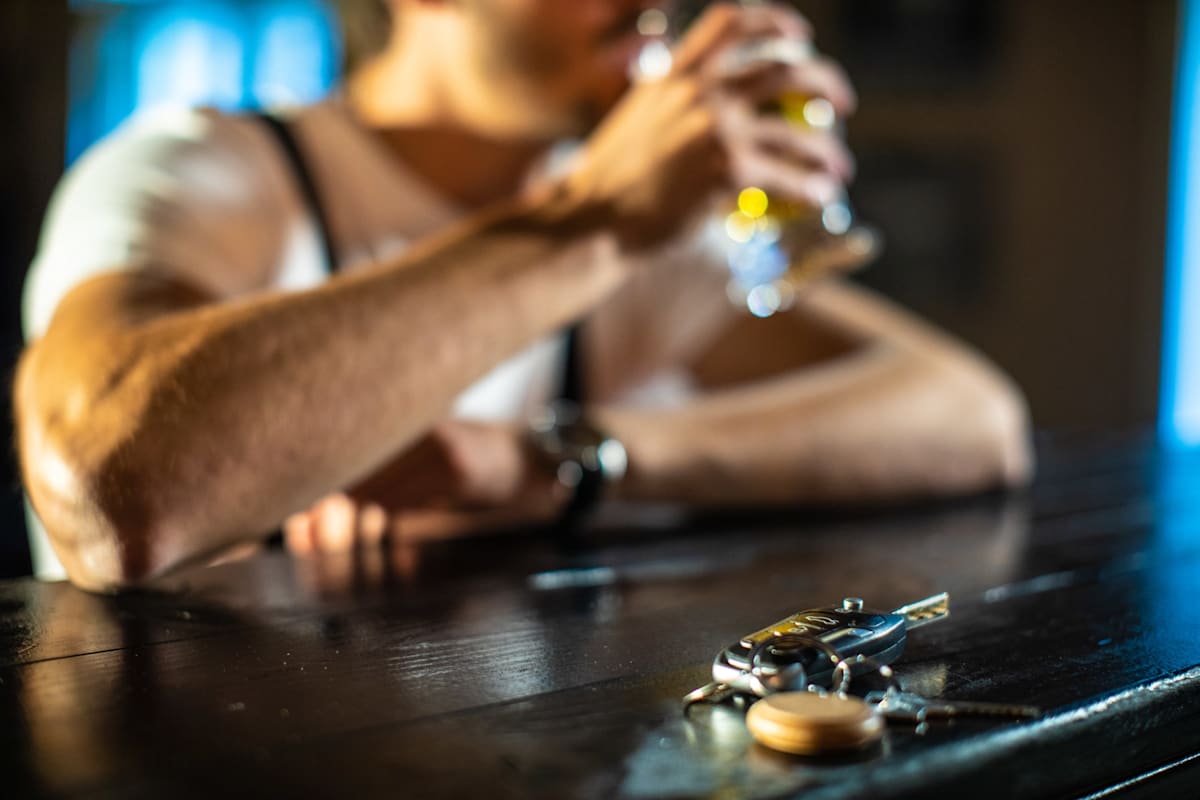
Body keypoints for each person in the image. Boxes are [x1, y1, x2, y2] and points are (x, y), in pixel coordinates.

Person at [15, 0, 1031, 592]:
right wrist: (592, 217)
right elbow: (113, 495)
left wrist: (544, 460)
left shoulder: (635, 231)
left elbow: (972, 418)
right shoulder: (196, 173)